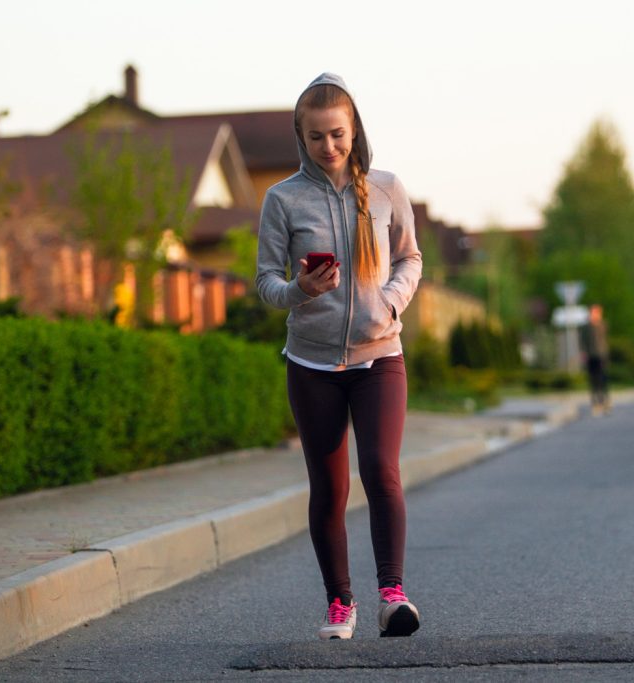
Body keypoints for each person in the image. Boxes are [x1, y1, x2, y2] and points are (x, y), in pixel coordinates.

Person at [256, 73, 423, 640]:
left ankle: (392, 596)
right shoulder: (281, 199)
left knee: (381, 470)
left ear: (354, 130)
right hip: (312, 365)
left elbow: (411, 259)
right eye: (316, 137)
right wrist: (300, 291)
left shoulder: (385, 188)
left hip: (380, 357)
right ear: (299, 138)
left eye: (337, 134)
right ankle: (340, 604)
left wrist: (391, 303)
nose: (329, 147)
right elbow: (265, 284)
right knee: (329, 488)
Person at [578, 304, 610, 415]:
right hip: (591, 355)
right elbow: (582, 341)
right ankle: (595, 403)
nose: (594, 315)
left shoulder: (602, 325)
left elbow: (604, 340)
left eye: (596, 312)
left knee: (602, 378)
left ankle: (604, 401)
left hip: (601, 355)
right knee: (593, 380)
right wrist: (583, 353)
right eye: (593, 312)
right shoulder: (586, 327)